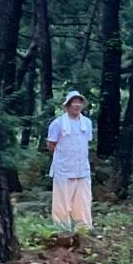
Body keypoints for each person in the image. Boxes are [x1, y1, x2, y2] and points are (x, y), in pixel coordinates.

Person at [46, 90, 94, 233]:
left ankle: (84, 229)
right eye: (74, 102)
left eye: (79, 102)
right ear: (67, 106)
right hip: (64, 169)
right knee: (61, 203)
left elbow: (87, 142)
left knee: (83, 201)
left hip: (82, 169)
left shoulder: (87, 123)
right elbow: (51, 145)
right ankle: (62, 231)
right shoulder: (57, 124)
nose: (77, 105)